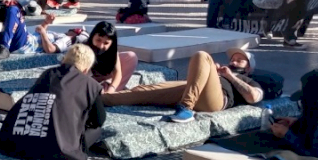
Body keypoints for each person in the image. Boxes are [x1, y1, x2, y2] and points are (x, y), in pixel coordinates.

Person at [0, 44, 107, 160]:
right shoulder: (89, 84)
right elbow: (99, 120)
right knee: (96, 130)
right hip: (58, 150)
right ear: (86, 69)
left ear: (64, 59)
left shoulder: (47, 74)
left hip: (19, 143)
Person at [103, 48, 263, 123]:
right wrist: (211, 73)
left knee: (202, 56)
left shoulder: (249, 79)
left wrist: (229, 76)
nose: (233, 62)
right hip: (193, 89)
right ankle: (96, 98)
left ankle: (186, 108)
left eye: (239, 60)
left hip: (217, 99)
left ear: (249, 67)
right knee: (141, 91)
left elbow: (253, 97)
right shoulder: (221, 72)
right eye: (232, 59)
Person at [85, 21, 138, 92]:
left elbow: (117, 73)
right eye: (98, 40)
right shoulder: (83, 49)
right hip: (87, 80)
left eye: (106, 43)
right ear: (92, 37)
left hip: (103, 75)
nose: (101, 46)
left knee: (130, 57)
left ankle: (112, 91)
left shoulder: (112, 52)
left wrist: (112, 88)